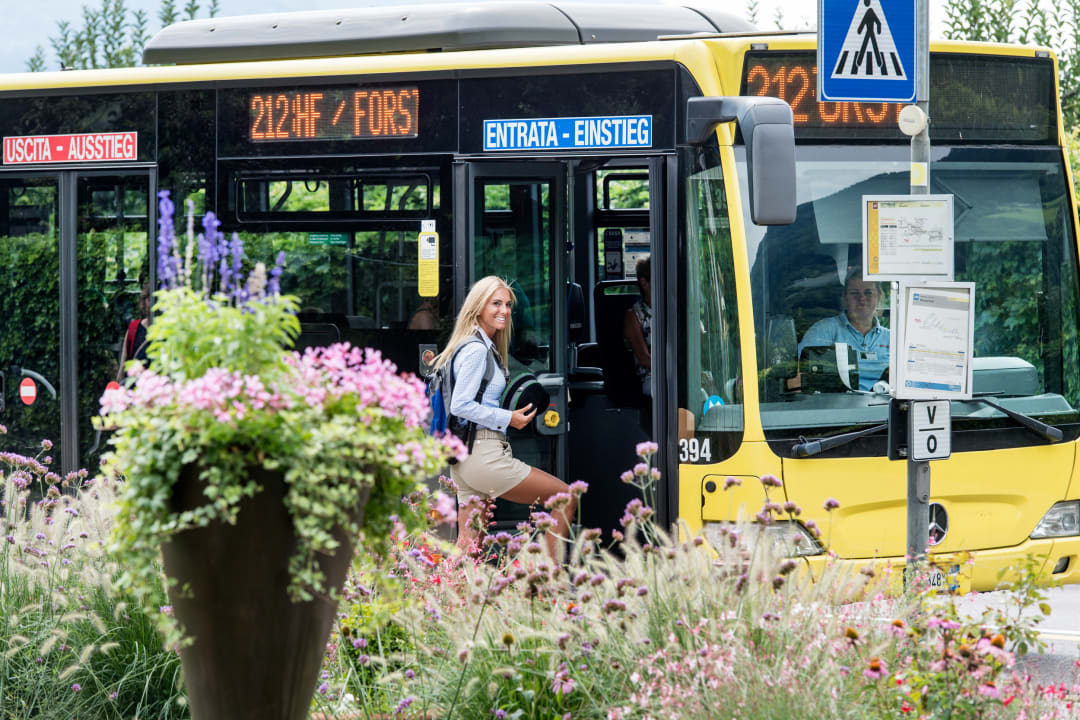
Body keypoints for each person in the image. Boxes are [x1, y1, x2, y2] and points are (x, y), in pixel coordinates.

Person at [432, 276, 577, 559]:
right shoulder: (477, 350)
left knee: (468, 548)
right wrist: (508, 418)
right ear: (478, 307)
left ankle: (446, 589)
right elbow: (461, 405)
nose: (505, 310)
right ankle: (544, 579)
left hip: (467, 457)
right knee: (566, 497)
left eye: (508, 304)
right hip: (483, 454)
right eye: (496, 303)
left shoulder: (473, 345)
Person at [796, 267, 889, 391]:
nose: (861, 298)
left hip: (884, 402)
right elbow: (797, 375)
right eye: (854, 293)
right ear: (845, 298)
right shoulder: (823, 331)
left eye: (868, 292)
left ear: (878, 297)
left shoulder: (893, 339)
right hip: (835, 402)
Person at [624, 257, 653, 428]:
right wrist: (676, 370)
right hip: (652, 377)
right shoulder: (633, 315)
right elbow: (643, 358)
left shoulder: (673, 310)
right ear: (644, 283)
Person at [117, 278, 151, 379]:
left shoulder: (167, 330)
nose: (154, 303)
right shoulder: (134, 328)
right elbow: (123, 366)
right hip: (135, 384)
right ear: (143, 301)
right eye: (150, 299)